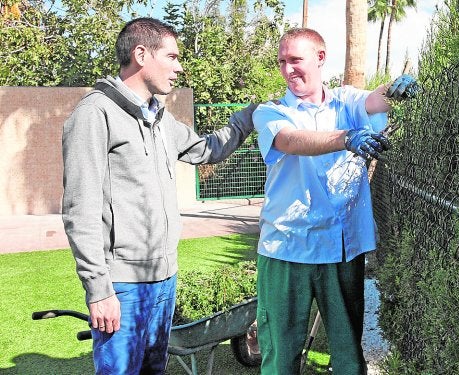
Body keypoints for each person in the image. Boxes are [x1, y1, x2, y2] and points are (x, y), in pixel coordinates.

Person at [61, 17, 256, 374]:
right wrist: (99, 290)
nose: (179, 67)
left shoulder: (160, 120)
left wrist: (250, 116)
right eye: (172, 56)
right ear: (141, 54)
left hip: (164, 277)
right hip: (122, 285)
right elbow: (81, 210)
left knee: (155, 370)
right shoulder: (94, 115)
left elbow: (207, 150)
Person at [252, 27, 418, 374]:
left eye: (295, 60)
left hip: (341, 248)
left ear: (320, 58)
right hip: (286, 248)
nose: (287, 70)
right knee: (279, 356)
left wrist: (397, 89)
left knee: (347, 355)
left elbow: (375, 100)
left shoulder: (346, 101)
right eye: (282, 62)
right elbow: (291, 141)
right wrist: (347, 137)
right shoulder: (270, 111)